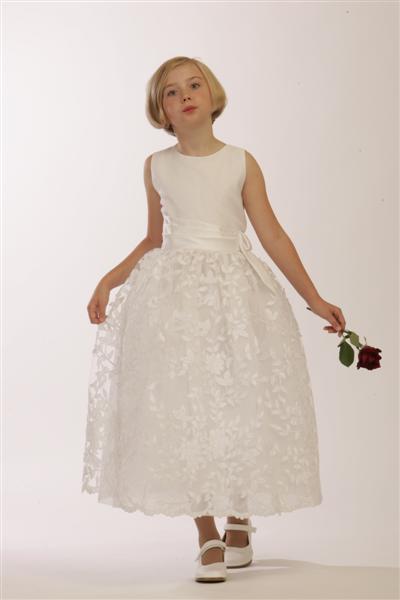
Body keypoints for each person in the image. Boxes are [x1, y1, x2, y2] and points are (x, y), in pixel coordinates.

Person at [82, 56, 346, 583]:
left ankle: (240, 515)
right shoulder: (156, 165)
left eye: (193, 85)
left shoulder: (241, 162)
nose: (185, 95)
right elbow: (153, 238)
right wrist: (110, 279)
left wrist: (314, 298)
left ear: (212, 95)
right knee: (187, 405)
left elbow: (272, 234)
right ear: (162, 111)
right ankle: (206, 532)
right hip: (176, 300)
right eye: (171, 92)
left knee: (240, 398)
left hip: (237, 294)